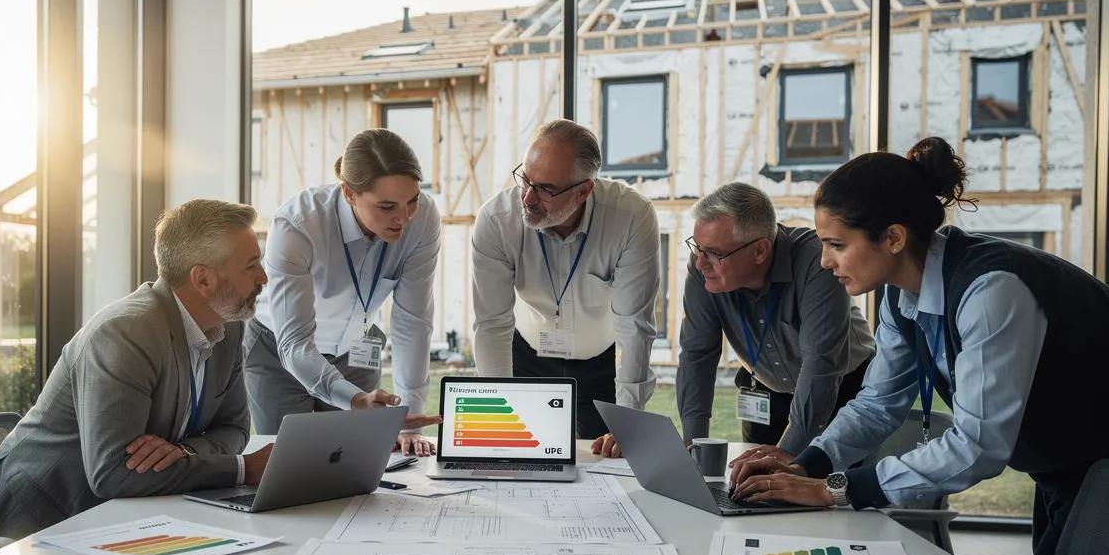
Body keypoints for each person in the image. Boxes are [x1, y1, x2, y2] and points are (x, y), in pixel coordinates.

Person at [730, 137, 1109, 555]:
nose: (824, 262)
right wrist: (808, 464)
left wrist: (835, 490)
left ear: (894, 238)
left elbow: (978, 446)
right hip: (1070, 466)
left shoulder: (991, 290)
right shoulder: (903, 298)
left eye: (837, 245)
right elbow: (878, 403)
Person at [0, 199, 272, 547]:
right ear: (203, 279)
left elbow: (235, 428)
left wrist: (184, 452)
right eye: (251, 266)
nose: (264, 278)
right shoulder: (126, 332)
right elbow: (113, 473)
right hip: (36, 527)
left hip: (126, 517)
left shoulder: (228, 327)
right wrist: (243, 469)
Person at [591, 182, 875, 458]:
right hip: (764, 389)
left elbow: (821, 365)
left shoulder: (816, 261)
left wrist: (785, 455)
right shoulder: (703, 267)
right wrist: (694, 443)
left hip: (840, 388)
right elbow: (697, 354)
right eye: (697, 248)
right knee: (752, 489)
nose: (701, 264)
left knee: (825, 488)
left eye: (715, 254)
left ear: (760, 251)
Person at [245, 129, 443, 456]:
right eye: (386, 206)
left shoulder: (424, 219)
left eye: (412, 200)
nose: (404, 218)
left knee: (355, 460)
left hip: (358, 346)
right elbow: (294, 342)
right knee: (290, 462)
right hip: (278, 352)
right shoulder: (297, 224)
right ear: (349, 193)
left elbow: (413, 322)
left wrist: (408, 413)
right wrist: (353, 399)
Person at [472, 119, 660, 439]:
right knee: (521, 458)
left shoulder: (631, 217)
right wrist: (497, 410)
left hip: (600, 362)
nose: (529, 198)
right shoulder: (496, 222)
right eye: (525, 179)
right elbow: (492, 324)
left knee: (605, 465)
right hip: (528, 357)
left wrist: (629, 420)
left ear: (584, 190)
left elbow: (634, 324)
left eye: (546, 188)